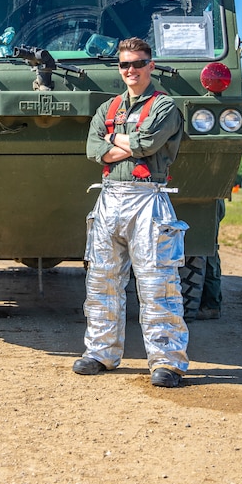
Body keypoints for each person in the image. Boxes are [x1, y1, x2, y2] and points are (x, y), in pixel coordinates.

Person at [73, 37, 189, 388]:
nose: (131, 70)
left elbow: (149, 144)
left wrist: (115, 140)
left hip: (149, 200)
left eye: (138, 63)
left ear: (151, 66)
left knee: (158, 283)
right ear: (119, 68)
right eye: (125, 64)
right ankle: (100, 353)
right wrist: (129, 142)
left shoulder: (165, 107)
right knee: (102, 280)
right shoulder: (107, 108)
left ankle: (167, 362)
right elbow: (94, 148)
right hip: (109, 198)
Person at [196, 198, 226, 319]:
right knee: (209, 253)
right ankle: (210, 304)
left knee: (209, 257)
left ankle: (212, 305)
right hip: (211, 203)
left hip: (211, 203)